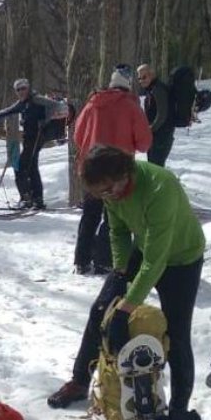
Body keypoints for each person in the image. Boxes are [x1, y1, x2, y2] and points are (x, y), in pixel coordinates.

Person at [47, 146, 207, 420]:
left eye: (109, 189)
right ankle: (79, 382)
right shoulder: (110, 191)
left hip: (181, 258)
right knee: (100, 310)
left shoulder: (160, 187)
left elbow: (156, 261)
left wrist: (128, 307)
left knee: (178, 334)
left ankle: (179, 411)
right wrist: (120, 273)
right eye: (100, 193)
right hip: (144, 248)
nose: (107, 196)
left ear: (125, 173)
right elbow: (118, 231)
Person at [72, 65, 152, 275]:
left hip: (91, 166)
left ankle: (81, 259)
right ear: (127, 84)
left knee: (90, 213)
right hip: (117, 171)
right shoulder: (131, 106)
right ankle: (104, 260)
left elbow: (77, 137)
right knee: (113, 217)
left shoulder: (92, 103)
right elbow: (144, 142)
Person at [0, 78, 62, 210]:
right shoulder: (22, 103)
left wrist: (45, 120)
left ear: (28, 88)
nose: (21, 92)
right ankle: (36, 199)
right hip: (28, 138)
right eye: (18, 90)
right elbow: (8, 111)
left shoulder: (36, 99)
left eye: (23, 88)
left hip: (36, 137)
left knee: (21, 167)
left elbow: (54, 105)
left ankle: (27, 199)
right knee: (31, 168)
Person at [136, 64, 174, 166]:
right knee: (154, 166)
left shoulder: (158, 89)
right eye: (139, 78)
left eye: (144, 77)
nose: (141, 81)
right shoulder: (151, 89)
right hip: (156, 137)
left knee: (156, 168)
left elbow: (162, 114)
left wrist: (150, 129)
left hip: (161, 137)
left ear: (151, 74)